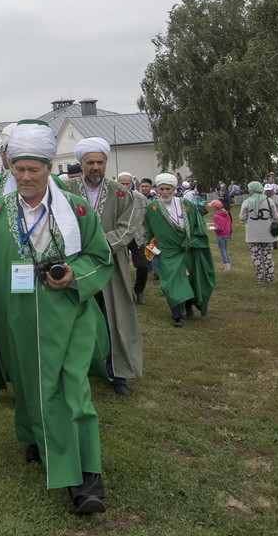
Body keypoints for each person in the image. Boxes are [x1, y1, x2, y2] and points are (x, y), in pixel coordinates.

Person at [0, 120, 112, 515]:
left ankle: (86, 479)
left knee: (73, 392)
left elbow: (99, 256)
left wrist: (74, 273)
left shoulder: (75, 210)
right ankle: (33, 436)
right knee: (28, 382)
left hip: (70, 315)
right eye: (19, 169)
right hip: (18, 314)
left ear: (48, 168)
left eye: (34, 169)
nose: (25, 177)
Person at [66, 138, 141, 396]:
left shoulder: (122, 193)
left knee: (116, 315)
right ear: (81, 163)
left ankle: (119, 374)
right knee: (78, 317)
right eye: (90, 162)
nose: (95, 167)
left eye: (100, 162)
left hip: (111, 263)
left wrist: (98, 246)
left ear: (106, 163)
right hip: (76, 264)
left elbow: (127, 227)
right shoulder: (66, 190)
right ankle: (78, 371)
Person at [141, 173, 216, 327]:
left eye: (168, 189)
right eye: (161, 189)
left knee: (188, 278)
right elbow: (148, 230)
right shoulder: (152, 208)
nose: (164, 192)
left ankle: (189, 309)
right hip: (167, 251)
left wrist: (194, 241)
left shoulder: (186, 205)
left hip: (188, 248)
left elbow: (197, 225)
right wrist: (150, 246)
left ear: (174, 189)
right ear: (157, 190)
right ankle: (177, 315)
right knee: (171, 282)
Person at [117, 172, 151, 304]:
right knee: (121, 266)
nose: (125, 186)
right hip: (119, 236)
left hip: (137, 236)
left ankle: (139, 290)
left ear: (132, 184)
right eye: (122, 184)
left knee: (142, 266)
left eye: (128, 184)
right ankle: (125, 292)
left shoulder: (140, 198)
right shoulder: (112, 198)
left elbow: (146, 218)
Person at [239, 182, 278, 282]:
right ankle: (270, 278)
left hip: (253, 234)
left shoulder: (247, 202)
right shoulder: (269, 201)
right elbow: (275, 216)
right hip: (267, 233)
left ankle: (260, 277)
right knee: (268, 256)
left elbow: (242, 217)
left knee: (256, 256)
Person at [208, 199, 232, 272]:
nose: (212, 208)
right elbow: (230, 224)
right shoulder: (226, 214)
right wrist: (230, 233)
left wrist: (212, 228)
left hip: (220, 235)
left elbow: (219, 228)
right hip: (227, 234)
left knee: (222, 251)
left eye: (212, 207)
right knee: (226, 250)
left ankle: (226, 267)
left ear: (215, 208)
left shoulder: (216, 216)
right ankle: (228, 266)